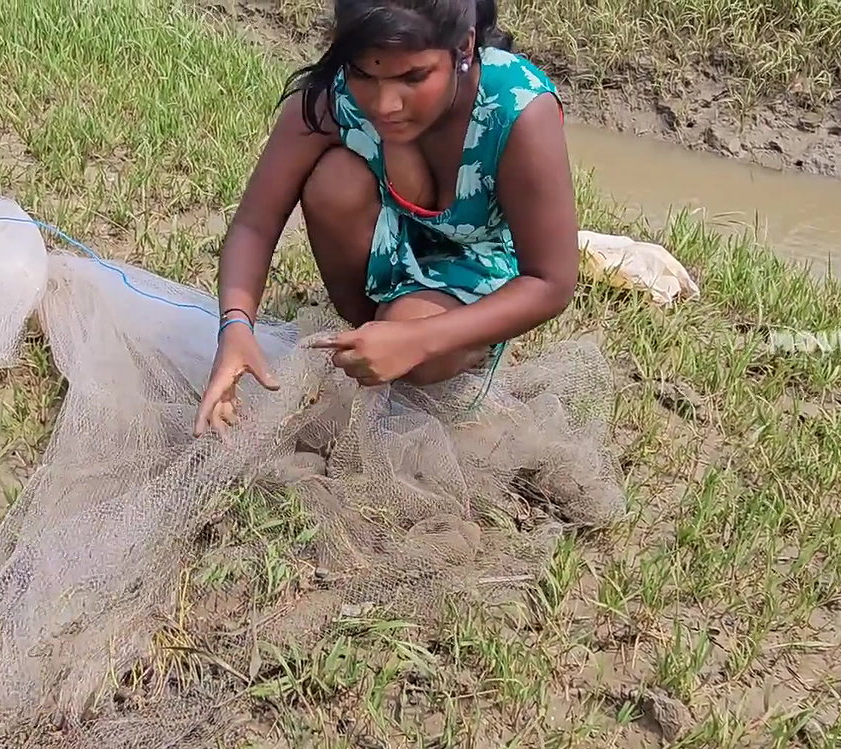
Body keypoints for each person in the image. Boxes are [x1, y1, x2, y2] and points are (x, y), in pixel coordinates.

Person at [194, 0, 580, 437]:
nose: (386, 103)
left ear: (463, 46)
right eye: (364, 74)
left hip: (475, 265)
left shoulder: (515, 108)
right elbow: (254, 225)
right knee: (333, 182)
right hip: (389, 239)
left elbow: (552, 282)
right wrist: (236, 327)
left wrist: (416, 339)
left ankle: (445, 345)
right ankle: (372, 333)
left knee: (412, 335)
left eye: (413, 77)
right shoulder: (332, 98)